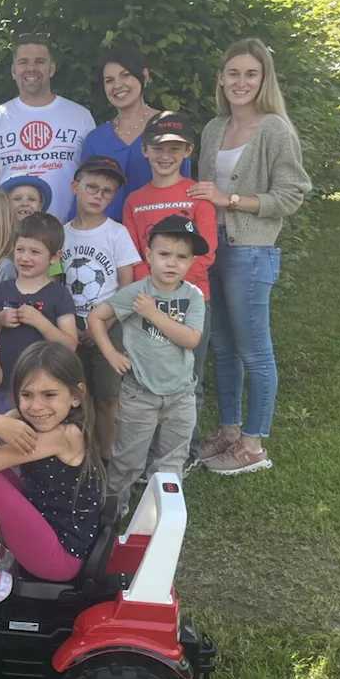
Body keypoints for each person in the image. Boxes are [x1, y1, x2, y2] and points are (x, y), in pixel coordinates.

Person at [189, 38, 311, 475]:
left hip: (251, 250)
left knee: (254, 351)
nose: (241, 82)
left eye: (250, 74)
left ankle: (254, 446)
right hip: (211, 250)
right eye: (233, 73)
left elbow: (292, 193)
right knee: (222, 347)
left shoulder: (275, 129)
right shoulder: (213, 129)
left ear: (263, 80)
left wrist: (231, 198)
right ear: (221, 79)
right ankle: (230, 431)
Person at [0, 341, 102, 618]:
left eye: (49, 394)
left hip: (61, 557)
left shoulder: (67, 434)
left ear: (76, 396)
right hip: (42, 524)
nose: (37, 406)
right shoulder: (26, 418)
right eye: (27, 395)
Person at [87, 215, 207, 509]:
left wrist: (154, 315)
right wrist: (111, 354)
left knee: (171, 460)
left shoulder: (193, 296)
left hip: (181, 395)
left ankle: (159, 512)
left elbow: (191, 339)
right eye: (164, 254)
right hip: (139, 393)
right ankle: (113, 511)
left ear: (191, 262)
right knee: (127, 458)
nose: (172, 263)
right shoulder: (136, 293)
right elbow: (96, 318)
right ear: (149, 255)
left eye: (181, 257)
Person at [124, 111, 218, 468]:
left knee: (188, 378)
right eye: (158, 148)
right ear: (145, 150)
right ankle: (150, 454)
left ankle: (185, 455)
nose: (166, 155)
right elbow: (133, 255)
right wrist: (150, 295)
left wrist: (171, 290)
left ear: (188, 151)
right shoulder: (135, 200)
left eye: (175, 148)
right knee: (148, 377)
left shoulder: (197, 196)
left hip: (193, 301)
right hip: (146, 303)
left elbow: (205, 252)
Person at [63, 156, 141, 462]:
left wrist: (103, 327)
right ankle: (82, 456)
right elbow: (57, 284)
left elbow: (126, 286)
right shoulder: (62, 233)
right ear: (75, 187)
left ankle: (108, 459)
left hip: (109, 325)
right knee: (78, 396)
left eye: (107, 191)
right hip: (71, 325)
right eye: (92, 187)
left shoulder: (116, 233)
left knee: (109, 396)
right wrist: (69, 324)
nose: (98, 195)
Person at [0, 35, 96, 222]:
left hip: (70, 230)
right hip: (12, 234)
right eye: (23, 62)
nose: (31, 68)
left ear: (52, 68)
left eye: (39, 61)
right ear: (14, 71)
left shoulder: (80, 116)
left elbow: (93, 179)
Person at [70, 45, 191, 222]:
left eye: (126, 75)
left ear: (145, 75)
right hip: (106, 242)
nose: (118, 85)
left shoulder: (170, 128)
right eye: (109, 80)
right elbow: (81, 200)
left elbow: (183, 188)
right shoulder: (96, 139)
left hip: (160, 237)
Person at [0, 213, 77, 413]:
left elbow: (71, 344)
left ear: (54, 257)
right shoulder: (2, 288)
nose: (25, 257)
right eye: (20, 250)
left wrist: (40, 322)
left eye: (35, 252)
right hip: (2, 384)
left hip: (42, 388)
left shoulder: (59, 294)